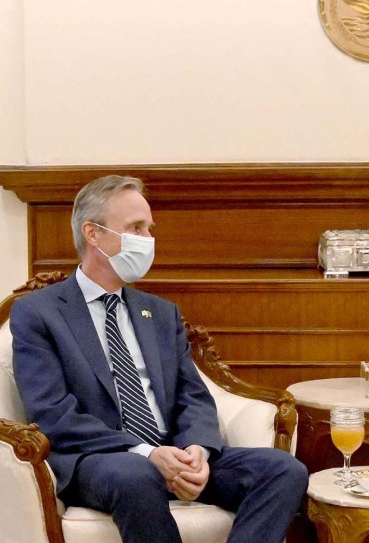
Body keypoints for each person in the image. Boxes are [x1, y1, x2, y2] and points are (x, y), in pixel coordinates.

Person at [11, 175, 308, 543]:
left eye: (149, 229)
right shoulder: (38, 313)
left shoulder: (161, 314)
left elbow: (194, 396)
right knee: (136, 474)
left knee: (283, 470)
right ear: (92, 233)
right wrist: (148, 453)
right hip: (100, 459)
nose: (147, 240)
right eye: (135, 228)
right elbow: (53, 414)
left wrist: (196, 450)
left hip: (175, 452)